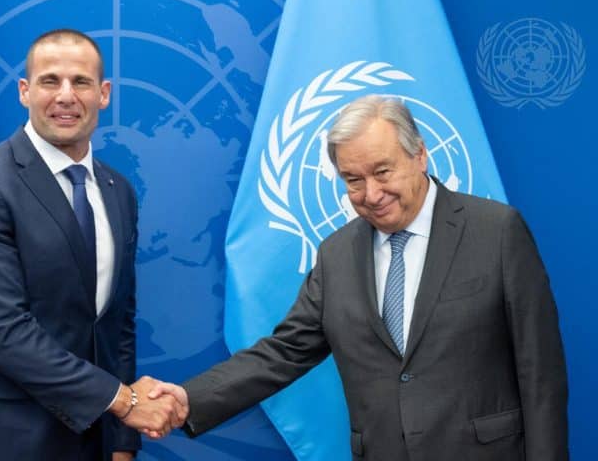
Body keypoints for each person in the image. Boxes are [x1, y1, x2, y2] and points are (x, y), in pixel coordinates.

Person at [152, 95, 569, 460]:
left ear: (420, 155)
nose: (371, 194)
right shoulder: (336, 255)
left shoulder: (496, 231)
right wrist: (187, 399)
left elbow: (541, 375)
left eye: (383, 172)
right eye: (354, 180)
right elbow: (282, 352)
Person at [0, 29, 185, 461]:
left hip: (88, 441)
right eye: (49, 81)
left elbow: (117, 325)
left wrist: (120, 440)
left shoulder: (118, 191)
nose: (65, 96)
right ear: (25, 92)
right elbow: (2, 331)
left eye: (80, 82)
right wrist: (125, 402)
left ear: (104, 94)